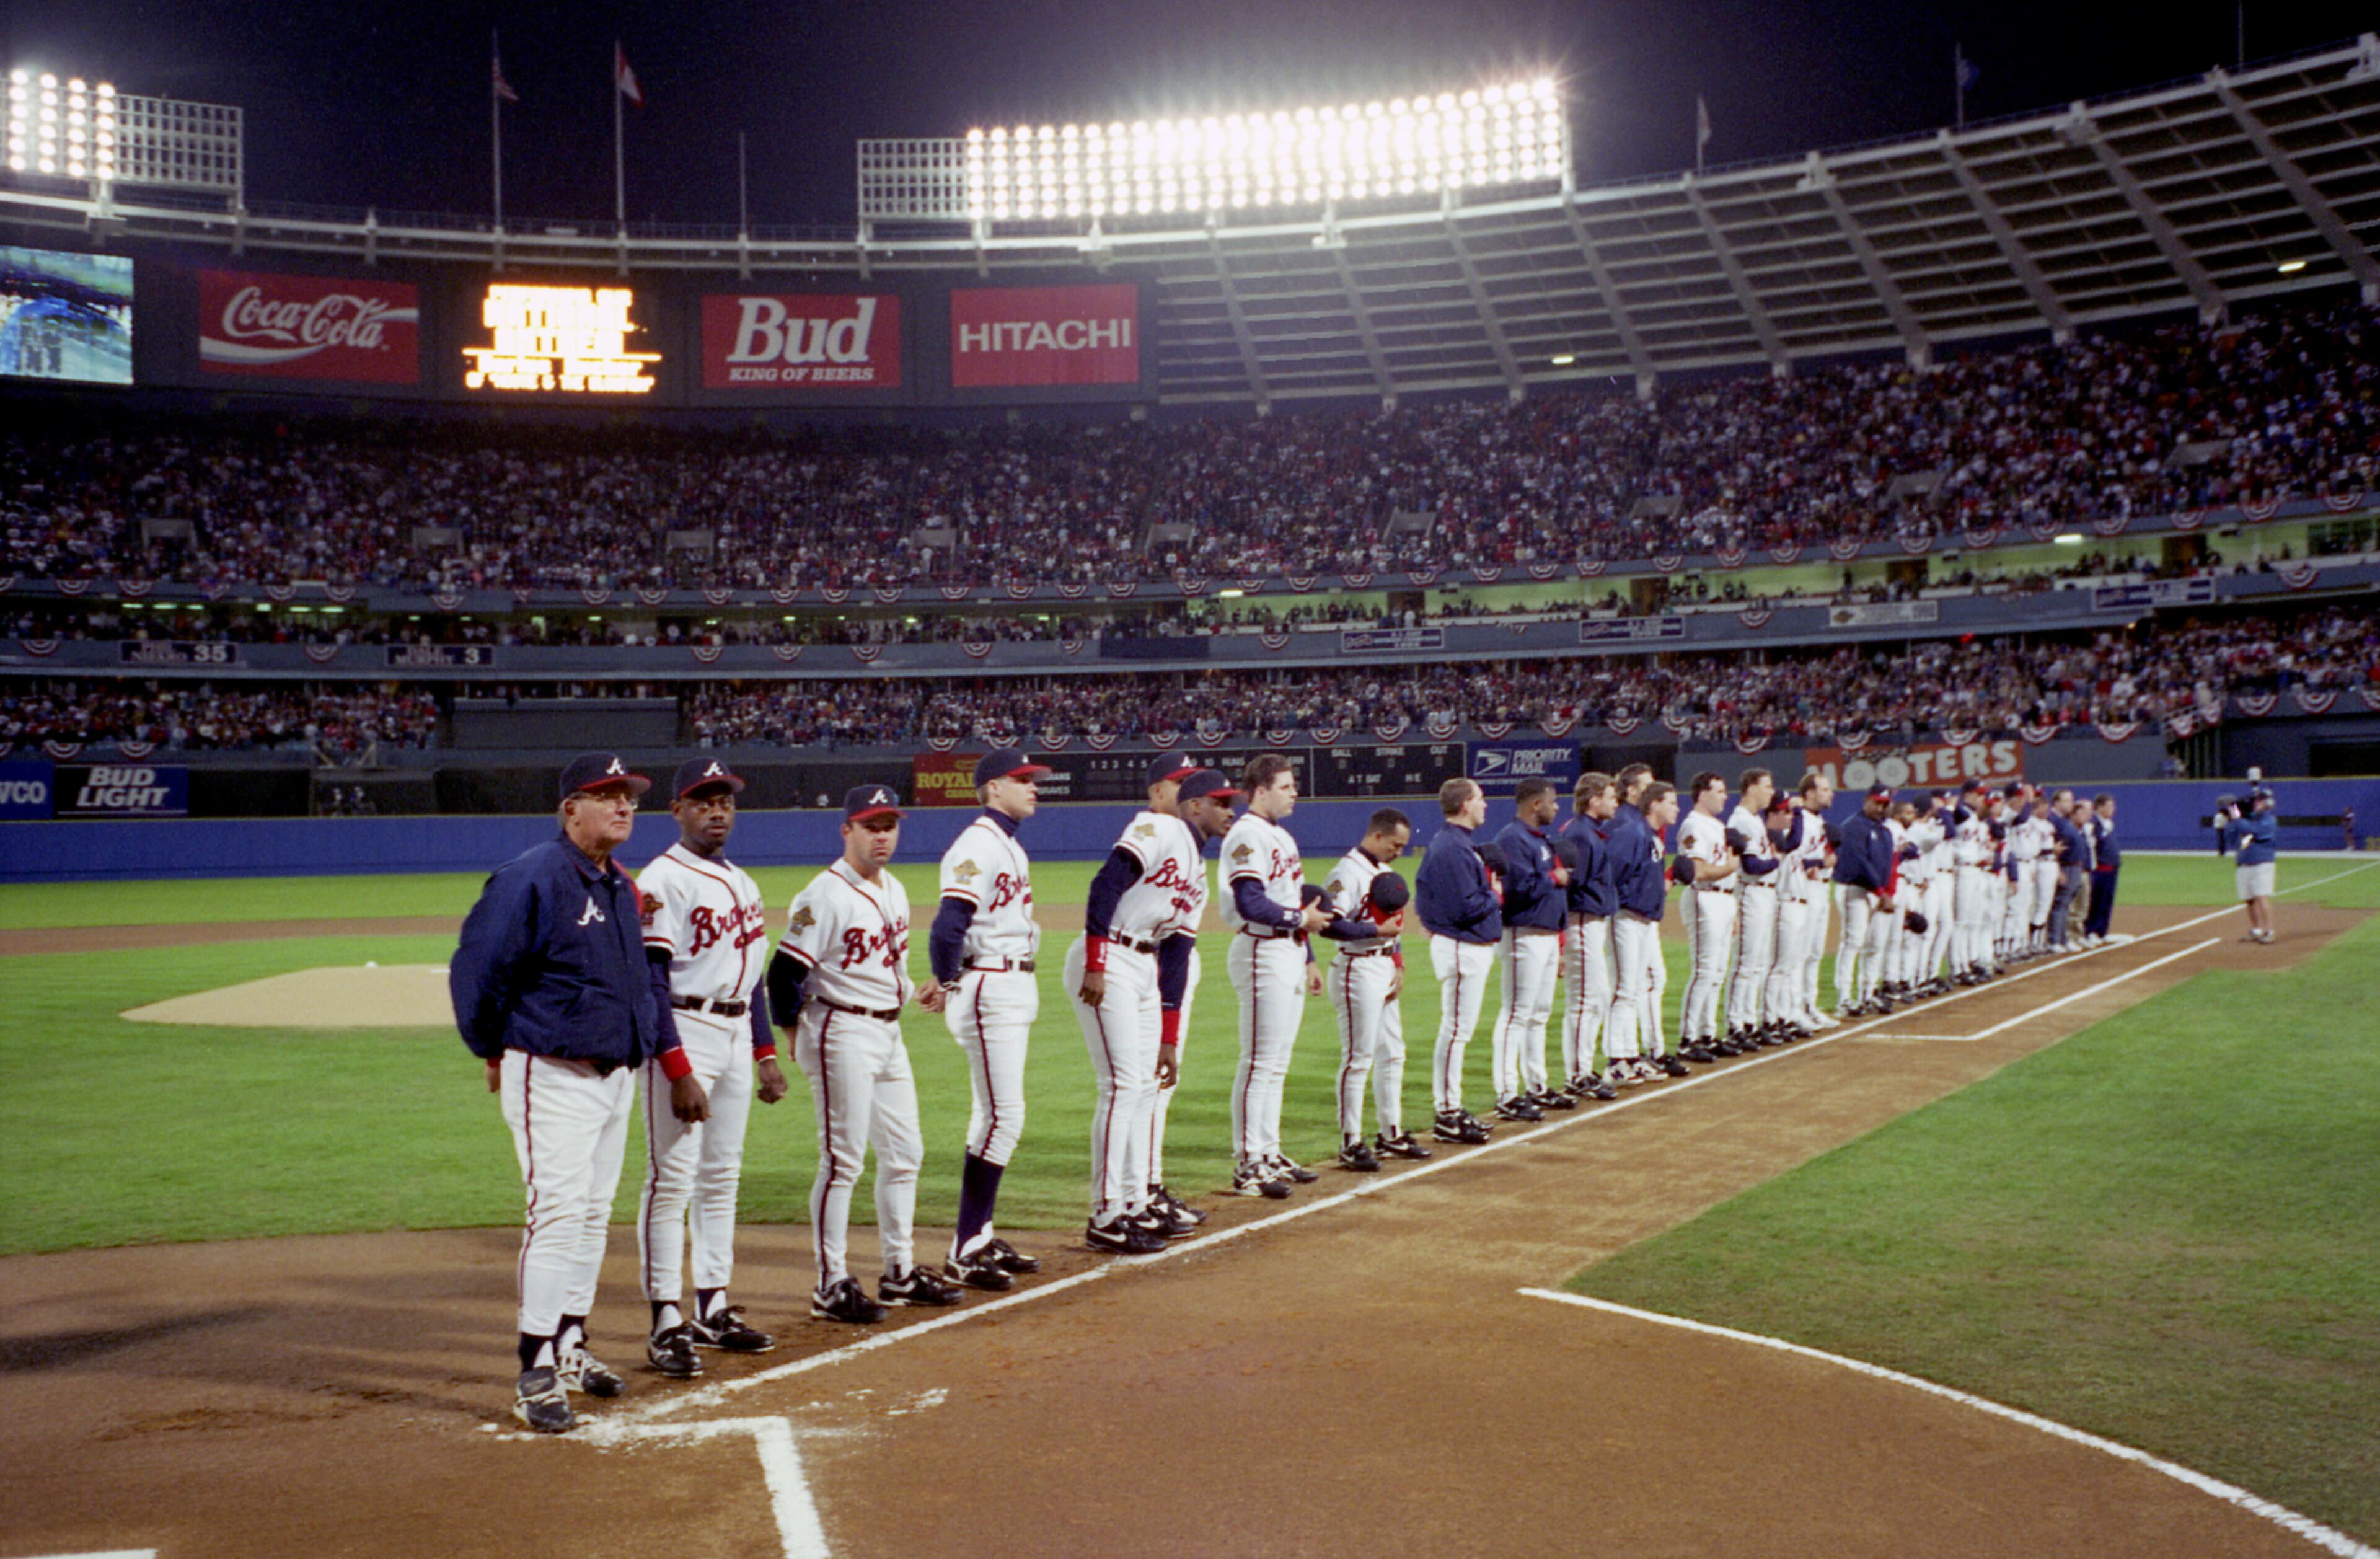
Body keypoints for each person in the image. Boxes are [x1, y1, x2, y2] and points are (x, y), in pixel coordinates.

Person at [450, 752, 663, 1434]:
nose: (624, 805)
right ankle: (534, 1367)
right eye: (607, 795)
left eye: (628, 795)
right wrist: (492, 1047)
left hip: (613, 1076)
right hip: (554, 1071)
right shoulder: (533, 877)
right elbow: (478, 971)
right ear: (570, 808)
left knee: (593, 1215)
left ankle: (571, 1346)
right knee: (559, 1215)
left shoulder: (614, 882)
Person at [765, 785, 959, 1325]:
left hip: (887, 1033)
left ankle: (899, 1271)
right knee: (843, 1160)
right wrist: (791, 1037)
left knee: (905, 1153)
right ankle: (830, 1283)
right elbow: (783, 973)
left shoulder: (895, 888)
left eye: (889, 825)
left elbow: (888, 963)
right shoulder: (822, 894)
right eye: (871, 825)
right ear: (846, 829)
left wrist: (912, 989)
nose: (882, 835)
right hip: (840, 1030)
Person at [635, 759, 782, 1382]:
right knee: (672, 1179)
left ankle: (712, 1304)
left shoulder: (743, 882)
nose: (717, 810)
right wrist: (677, 1067)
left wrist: (765, 1051)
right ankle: (665, 1318)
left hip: (731, 1032)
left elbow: (752, 981)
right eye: (703, 801)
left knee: (722, 1175)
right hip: (684, 1030)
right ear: (678, 811)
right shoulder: (663, 880)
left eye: (724, 800)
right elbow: (650, 980)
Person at [1071, 767, 1241, 1235]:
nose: (1230, 811)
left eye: (1231, 802)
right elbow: (1106, 882)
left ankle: (1133, 1200)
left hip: (1146, 967)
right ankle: (1106, 1214)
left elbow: (1178, 953)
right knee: (1122, 1085)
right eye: (1221, 801)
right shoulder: (1160, 827)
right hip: (1113, 960)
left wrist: (1170, 1036)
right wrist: (1096, 960)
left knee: (1146, 1086)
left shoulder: (1199, 871)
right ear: (1194, 806)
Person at [928, 748, 1055, 1292]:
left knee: (991, 1114)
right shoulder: (978, 843)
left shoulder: (1005, 843)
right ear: (993, 787)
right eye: (1023, 779)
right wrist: (951, 980)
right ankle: (965, 1246)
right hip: (989, 986)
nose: (1034, 787)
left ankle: (979, 1234)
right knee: (1006, 1116)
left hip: (1008, 982)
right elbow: (946, 924)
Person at [1220, 755, 1339, 1193]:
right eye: (1286, 786)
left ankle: (1268, 1150)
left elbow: (1293, 901)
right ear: (1261, 789)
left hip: (1285, 950)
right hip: (1260, 949)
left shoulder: (1280, 835)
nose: (1294, 793)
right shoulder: (1246, 834)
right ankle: (1248, 1162)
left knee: (1277, 1061)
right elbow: (1251, 901)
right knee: (1259, 1060)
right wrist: (1299, 921)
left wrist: (1307, 955)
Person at [1320, 808, 1426, 1168]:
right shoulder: (1346, 873)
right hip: (1356, 967)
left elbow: (1393, 924)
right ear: (1377, 836)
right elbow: (1329, 927)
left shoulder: (1385, 872)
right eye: (1395, 845)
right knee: (1359, 1057)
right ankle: (1351, 1142)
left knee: (1393, 1053)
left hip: (1382, 966)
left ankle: (1390, 1133)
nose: (1399, 852)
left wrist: (1397, 963)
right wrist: (1374, 934)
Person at [1416, 777, 1500, 1143]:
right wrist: (1496, 894)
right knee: (1455, 1031)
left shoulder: (1455, 844)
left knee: (1458, 1031)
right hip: (1461, 947)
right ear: (1466, 804)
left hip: (1466, 945)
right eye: (1480, 799)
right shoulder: (1452, 847)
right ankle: (1447, 1113)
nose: (1486, 805)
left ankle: (1451, 1108)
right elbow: (1464, 907)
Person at [1489, 777, 1574, 1118]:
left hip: (1545, 935)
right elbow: (1516, 888)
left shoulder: (1539, 839)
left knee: (1538, 1015)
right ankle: (1507, 1094)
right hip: (1522, 934)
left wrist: (1561, 941)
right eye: (1552, 801)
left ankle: (1537, 1086)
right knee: (1515, 1015)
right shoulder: (1512, 839)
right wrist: (1555, 877)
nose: (1557, 807)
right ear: (1535, 804)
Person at [1604, 781, 1679, 1085]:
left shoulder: (1649, 836)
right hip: (1626, 918)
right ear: (1655, 804)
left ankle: (1631, 1056)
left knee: (1636, 987)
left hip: (1643, 920)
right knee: (1624, 989)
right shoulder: (1632, 833)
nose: (1677, 808)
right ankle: (1616, 1060)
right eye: (1672, 802)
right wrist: (1625, 906)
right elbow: (1611, 875)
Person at [1556, 772, 1622, 1100]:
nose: (1615, 801)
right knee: (1585, 999)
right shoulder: (1581, 834)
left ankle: (1582, 1068)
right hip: (1582, 920)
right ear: (1593, 800)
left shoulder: (1587, 832)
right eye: (1610, 796)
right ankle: (1578, 1074)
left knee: (1594, 996)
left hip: (1590, 920)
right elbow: (1572, 883)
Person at [1675, 771, 1740, 1061]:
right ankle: (1688, 1038)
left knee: (1717, 972)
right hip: (1705, 896)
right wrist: (1731, 866)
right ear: (1703, 793)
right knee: (1704, 971)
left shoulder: (1716, 825)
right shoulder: (1693, 824)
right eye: (1720, 791)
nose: (1725, 796)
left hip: (1723, 898)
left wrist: (1734, 907)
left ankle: (1708, 1034)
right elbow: (1698, 870)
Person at [1722, 768, 1782, 1050]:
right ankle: (1736, 1025)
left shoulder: (1755, 820)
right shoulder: (1742, 821)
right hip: (1751, 892)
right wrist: (1777, 859)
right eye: (1767, 786)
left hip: (1764, 894)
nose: (1771, 792)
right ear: (1751, 788)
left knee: (1757, 963)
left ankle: (1750, 1022)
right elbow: (1752, 866)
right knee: (1746, 963)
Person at [1831, 784, 1897, 1017]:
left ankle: (1868, 994)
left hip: (1877, 893)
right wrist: (1882, 892)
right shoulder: (1854, 827)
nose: (1881, 808)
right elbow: (1859, 862)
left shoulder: (1885, 831)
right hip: (1856, 889)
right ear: (1867, 800)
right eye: (1877, 802)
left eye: (1885, 804)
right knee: (1854, 942)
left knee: (1876, 944)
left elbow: (1890, 865)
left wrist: (1888, 892)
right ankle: (1844, 999)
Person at [2223, 786, 2280, 943]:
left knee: (2261, 897)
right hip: (2244, 863)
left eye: (2260, 800)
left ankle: (2269, 931)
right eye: (2256, 800)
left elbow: (2253, 830)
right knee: (2249, 899)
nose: (2256, 802)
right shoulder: (2247, 819)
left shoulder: (2269, 821)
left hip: (2262, 863)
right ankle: (2256, 930)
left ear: (2268, 803)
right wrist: (2229, 820)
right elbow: (2231, 839)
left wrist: (2237, 818)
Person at [2045, 788, 2087, 953]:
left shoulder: (2064, 820)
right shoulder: (2054, 820)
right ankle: (2055, 939)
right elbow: (2055, 847)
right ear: (2057, 802)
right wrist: (2058, 869)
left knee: (2066, 905)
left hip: (2074, 866)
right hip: (2065, 866)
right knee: (2060, 904)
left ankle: (2063, 938)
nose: (2071, 804)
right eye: (2067, 800)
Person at [2082, 794, 2122, 945]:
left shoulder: (2108, 824)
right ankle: (2091, 930)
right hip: (2101, 869)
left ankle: (2103, 930)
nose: (2113, 809)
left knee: (2107, 901)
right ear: (2099, 807)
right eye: (2109, 806)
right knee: (2097, 901)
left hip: (2112, 868)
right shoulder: (2094, 825)